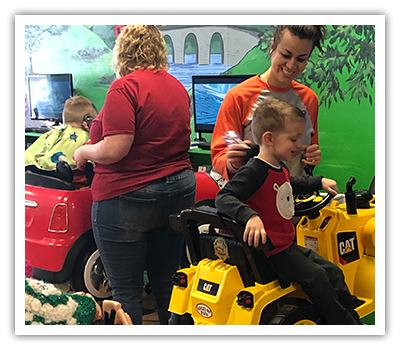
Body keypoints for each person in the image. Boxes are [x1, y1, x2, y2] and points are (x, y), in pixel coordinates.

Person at [73, 25, 196, 325]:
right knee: (167, 282)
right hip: (178, 191)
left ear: (122, 51)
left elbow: (115, 148)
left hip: (127, 196)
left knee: (126, 291)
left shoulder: (124, 87)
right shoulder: (177, 86)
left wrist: (84, 153)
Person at [215, 99, 362, 325]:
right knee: (317, 277)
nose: (300, 144)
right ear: (269, 138)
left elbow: (289, 183)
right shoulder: (254, 170)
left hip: (286, 244)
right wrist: (250, 216)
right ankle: (342, 324)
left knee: (333, 271)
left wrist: (318, 181)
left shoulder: (277, 165)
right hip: (271, 252)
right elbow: (224, 197)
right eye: (293, 139)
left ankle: (349, 310)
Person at [211, 25, 326, 187]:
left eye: (301, 59)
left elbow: (309, 150)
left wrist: (312, 157)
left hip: (293, 197)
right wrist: (233, 163)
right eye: (286, 55)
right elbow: (219, 155)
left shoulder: (309, 99)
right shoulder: (238, 96)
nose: (291, 65)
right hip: (252, 199)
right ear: (273, 47)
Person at [25, 95, 97, 187]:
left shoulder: (52, 133)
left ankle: (38, 170)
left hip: (35, 175)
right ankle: (60, 174)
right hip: (69, 180)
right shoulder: (86, 136)